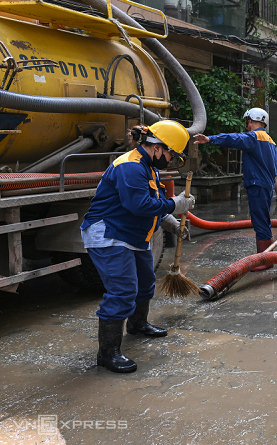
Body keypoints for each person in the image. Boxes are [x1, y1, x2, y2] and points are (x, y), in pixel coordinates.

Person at [81, 120, 195, 373]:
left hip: (133, 235)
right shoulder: (131, 167)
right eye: (171, 154)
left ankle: (137, 324)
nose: (171, 159)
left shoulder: (148, 166)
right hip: (110, 234)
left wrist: (172, 222)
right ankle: (107, 353)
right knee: (123, 292)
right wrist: (174, 205)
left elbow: (152, 201)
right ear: (157, 147)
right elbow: (139, 205)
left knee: (144, 284)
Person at [194, 107, 277, 272]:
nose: (246, 125)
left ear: (251, 120)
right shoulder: (270, 140)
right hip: (266, 185)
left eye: (247, 122)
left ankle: (265, 260)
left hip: (257, 185)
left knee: (260, 223)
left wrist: (210, 139)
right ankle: (268, 257)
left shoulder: (254, 137)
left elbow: (233, 139)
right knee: (264, 221)